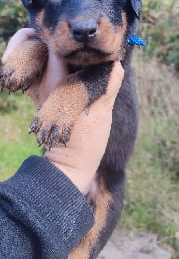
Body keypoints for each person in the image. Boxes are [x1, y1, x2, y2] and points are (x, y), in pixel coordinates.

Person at [0, 28, 124, 259]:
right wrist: (32, 51)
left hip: (107, 177)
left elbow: (109, 66)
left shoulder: (107, 42)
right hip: (61, 174)